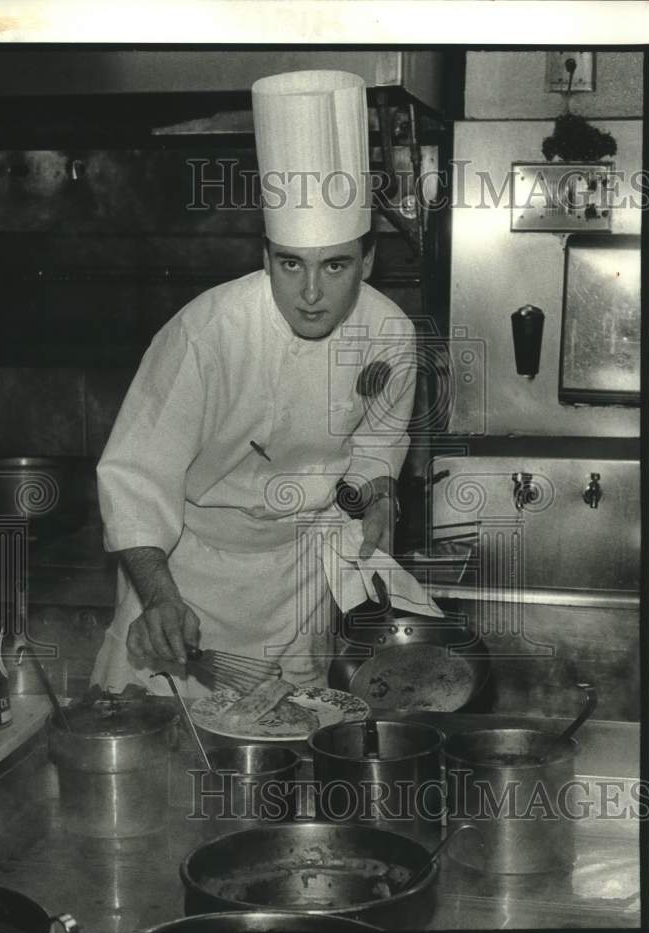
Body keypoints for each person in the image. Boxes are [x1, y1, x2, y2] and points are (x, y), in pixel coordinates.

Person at [91, 70, 417, 698]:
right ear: (265, 255)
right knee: (165, 749)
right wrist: (159, 599)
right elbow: (135, 476)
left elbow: (375, 448)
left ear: (369, 261)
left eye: (336, 265)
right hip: (186, 573)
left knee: (290, 745)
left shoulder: (391, 336)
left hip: (299, 574)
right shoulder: (206, 334)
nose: (312, 293)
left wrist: (378, 496)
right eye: (291, 264)